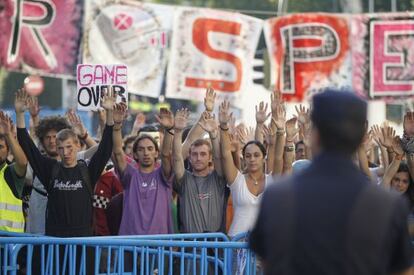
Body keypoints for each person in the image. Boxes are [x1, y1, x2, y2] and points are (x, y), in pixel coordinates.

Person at [250, 89, 413, 274]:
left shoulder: (278, 196)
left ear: (315, 135)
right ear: (361, 138)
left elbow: (267, 262)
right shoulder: (387, 204)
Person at [16, 88, 115, 237]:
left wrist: (109, 114)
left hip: (82, 243)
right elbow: (27, 146)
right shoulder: (50, 169)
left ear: (77, 145)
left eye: (69, 147)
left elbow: (106, 147)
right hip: (55, 244)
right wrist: (20, 114)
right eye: (61, 148)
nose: (66, 152)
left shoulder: (87, 169)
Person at [112, 104, 174, 235]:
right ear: (134, 155)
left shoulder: (163, 175)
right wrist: (117, 125)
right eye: (141, 149)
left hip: (159, 247)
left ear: (156, 153)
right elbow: (118, 151)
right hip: (131, 247)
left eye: (150, 149)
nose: (146, 153)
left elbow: (167, 154)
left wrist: (168, 130)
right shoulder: (130, 175)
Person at [0, 111, 27, 233]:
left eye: (0, 147)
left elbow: (22, 163)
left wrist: (8, 135)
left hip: (9, 244)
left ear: (8, 150)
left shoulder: (10, 173)